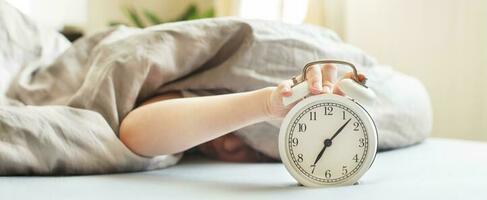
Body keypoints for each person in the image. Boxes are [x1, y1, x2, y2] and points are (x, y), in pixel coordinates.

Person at [119, 64, 357, 162]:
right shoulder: (212, 81)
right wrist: (265, 104)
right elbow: (135, 132)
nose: (230, 147)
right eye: (236, 135)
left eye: (255, 152)